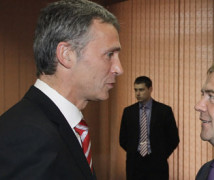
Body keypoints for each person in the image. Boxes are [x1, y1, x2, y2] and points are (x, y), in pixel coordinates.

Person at [0, 0, 123, 179]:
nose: (119, 69)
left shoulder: (54, 126)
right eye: (109, 55)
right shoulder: (29, 137)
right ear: (66, 55)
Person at [119, 76, 179, 180]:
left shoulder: (164, 111)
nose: (138, 93)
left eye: (141, 90)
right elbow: (123, 139)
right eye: (135, 90)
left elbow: (173, 139)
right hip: (134, 163)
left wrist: (161, 155)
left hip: (157, 163)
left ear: (150, 89)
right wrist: (133, 152)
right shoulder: (128, 111)